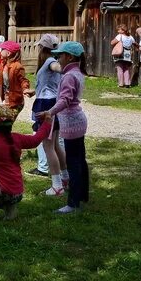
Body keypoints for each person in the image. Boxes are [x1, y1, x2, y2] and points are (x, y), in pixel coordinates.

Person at [40, 40, 89, 213]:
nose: (58, 59)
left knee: (74, 162)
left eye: (60, 55)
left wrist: (50, 112)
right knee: (80, 160)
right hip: (78, 121)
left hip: (72, 122)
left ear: (68, 57)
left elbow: (65, 100)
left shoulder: (68, 75)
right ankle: (82, 194)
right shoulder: (76, 72)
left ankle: (73, 203)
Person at [26, 34, 67, 193]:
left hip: (46, 104)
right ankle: (65, 178)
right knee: (55, 144)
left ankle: (57, 186)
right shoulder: (49, 63)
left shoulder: (51, 62)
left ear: (43, 48)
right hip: (50, 101)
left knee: (48, 145)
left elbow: (59, 68)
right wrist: (34, 91)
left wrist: (65, 67)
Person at [0, 41, 29, 112]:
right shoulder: (2, 64)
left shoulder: (17, 66)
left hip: (16, 101)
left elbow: (23, 80)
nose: (0, 51)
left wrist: (25, 89)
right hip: (7, 98)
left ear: (8, 53)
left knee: (6, 122)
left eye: (2, 49)